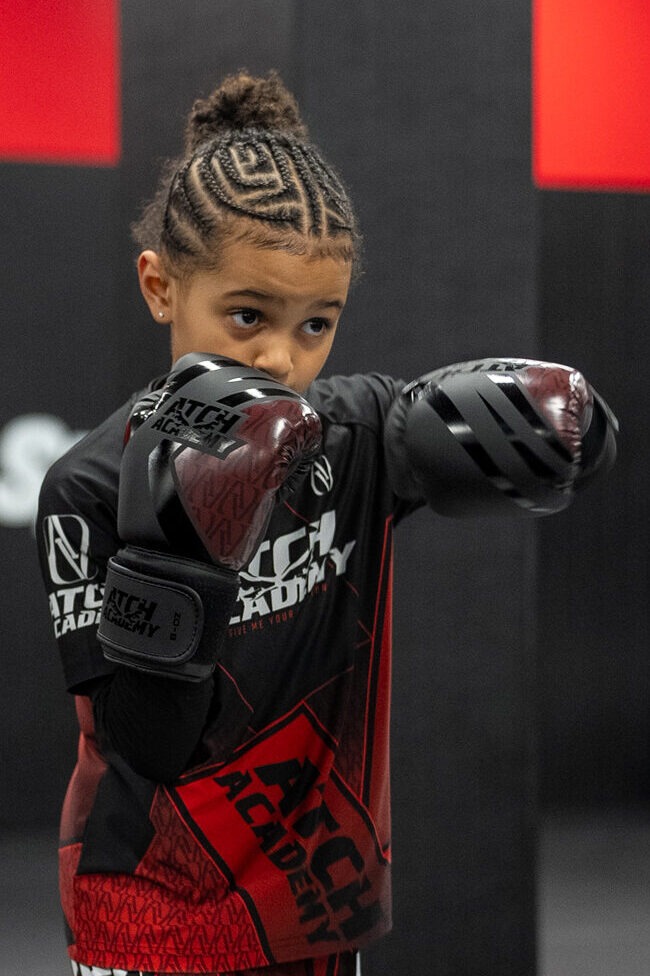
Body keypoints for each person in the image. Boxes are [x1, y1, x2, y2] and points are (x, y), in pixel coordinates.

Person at [37, 71, 617, 976]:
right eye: (247, 316)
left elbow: (460, 431)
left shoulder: (355, 435)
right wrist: (186, 552)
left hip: (312, 910)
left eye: (316, 325)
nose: (281, 356)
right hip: (149, 908)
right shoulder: (90, 486)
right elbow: (146, 745)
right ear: (160, 287)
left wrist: (556, 431)